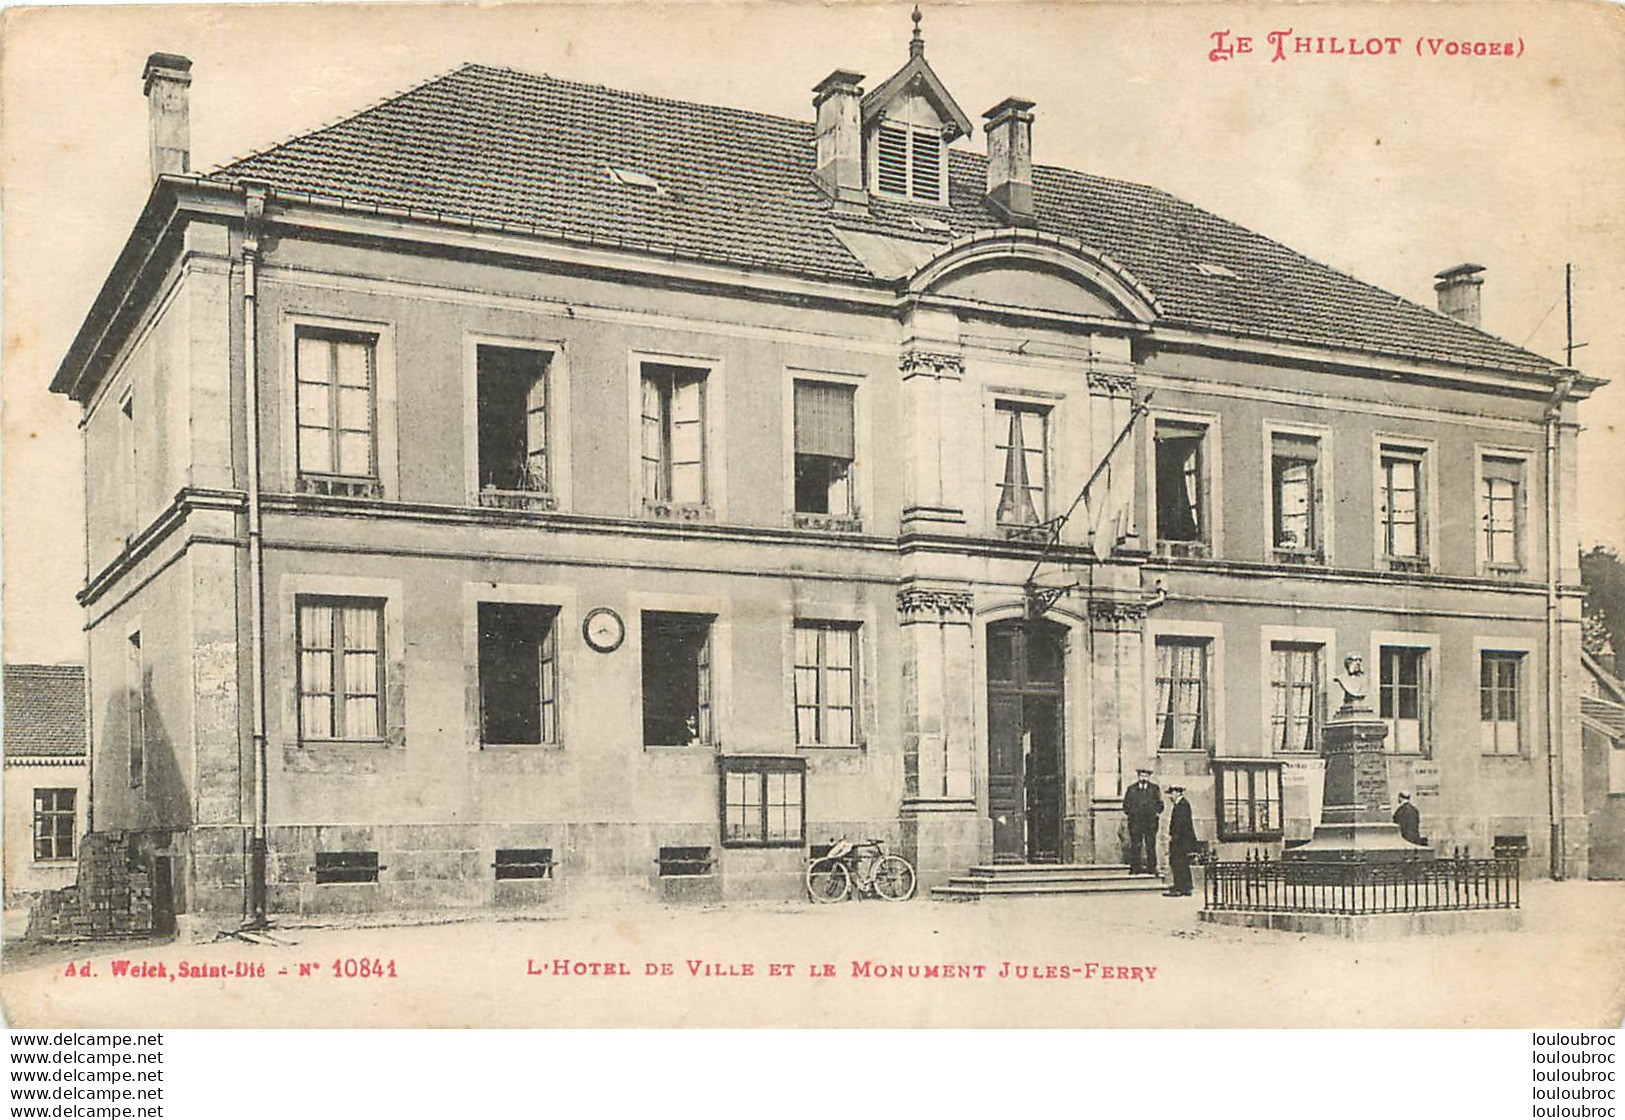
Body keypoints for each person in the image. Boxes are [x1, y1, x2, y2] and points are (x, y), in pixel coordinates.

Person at [1122, 767, 1163, 875]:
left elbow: (1160, 804)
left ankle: (1152, 868)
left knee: (1150, 845)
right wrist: (1132, 814)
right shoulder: (1131, 789)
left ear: (1149, 777)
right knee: (1136, 845)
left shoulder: (1154, 789)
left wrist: (1155, 813)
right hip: (1136, 823)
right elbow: (1126, 805)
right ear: (1138, 776)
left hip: (1150, 823)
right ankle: (1135, 867)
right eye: (1141, 775)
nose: (1143, 778)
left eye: (1146, 775)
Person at [1164, 786, 1198, 897]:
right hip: (1179, 839)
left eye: (1171, 794)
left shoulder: (1183, 805)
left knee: (1179, 862)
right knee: (1179, 863)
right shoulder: (1179, 804)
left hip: (1181, 840)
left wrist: (1175, 836)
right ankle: (1183, 886)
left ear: (1177, 793)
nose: (1170, 796)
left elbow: (1182, 824)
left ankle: (1181, 887)